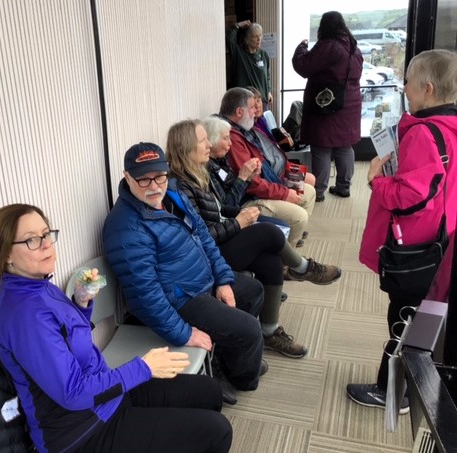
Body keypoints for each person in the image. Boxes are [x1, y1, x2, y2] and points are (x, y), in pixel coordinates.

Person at [0, 203, 233, 453]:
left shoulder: (39, 285)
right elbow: (73, 393)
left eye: (46, 234)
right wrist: (144, 368)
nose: (46, 244)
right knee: (216, 431)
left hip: (104, 396)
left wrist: (81, 303)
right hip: (81, 431)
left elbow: (67, 339)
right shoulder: (25, 316)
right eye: (31, 240)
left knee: (209, 391)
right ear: (6, 255)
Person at [103, 142, 267, 404]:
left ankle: (229, 359)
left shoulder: (173, 194)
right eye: (144, 180)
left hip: (202, 278)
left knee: (253, 291)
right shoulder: (125, 228)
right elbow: (145, 297)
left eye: (159, 176)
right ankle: (241, 379)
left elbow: (203, 237)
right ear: (127, 177)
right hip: (181, 299)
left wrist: (223, 279)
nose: (154, 186)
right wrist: (185, 333)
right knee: (249, 331)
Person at [166, 119, 343, 357]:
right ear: (186, 147)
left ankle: (269, 331)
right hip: (206, 257)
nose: (209, 144)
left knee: (271, 261)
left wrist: (241, 213)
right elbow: (199, 236)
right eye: (203, 141)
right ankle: (303, 268)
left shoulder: (198, 173)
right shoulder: (180, 186)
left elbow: (218, 210)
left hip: (219, 240)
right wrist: (238, 221)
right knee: (268, 232)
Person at [347, 49, 457, 413]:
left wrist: (376, 180)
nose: (404, 88)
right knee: (426, 317)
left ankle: (392, 393)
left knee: (403, 318)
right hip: (443, 241)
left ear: (427, 88)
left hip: (418, 248)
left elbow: (412, 196)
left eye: (407, 82)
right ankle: (416, 384)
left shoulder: (424, 133)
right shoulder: (450, 128)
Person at [220, 87, 316, 248]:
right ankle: (288, 255)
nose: (256, 110)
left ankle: (292, 233)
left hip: (272, 179)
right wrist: (284, 193)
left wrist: (288, 177)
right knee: (299, 216)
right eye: (252, 107)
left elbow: (273, 156)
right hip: (251, 197)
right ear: (239, 112)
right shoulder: (233, 137)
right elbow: (253, 184)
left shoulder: (248, 129)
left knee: (310, 191)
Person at [292, 11, 363, 202]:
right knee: (344, 147)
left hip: (326, 105)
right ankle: (343, 187)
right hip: (350, 105)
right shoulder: (354, 47)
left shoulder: (329, 45)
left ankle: (318, 191)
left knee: (322, 147)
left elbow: (303, 66)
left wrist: (301, 48)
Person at [245, 86, 316, 188]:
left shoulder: (262, 121)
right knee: (309, 181)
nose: (257, 106)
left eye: (258, 101)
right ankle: (294, 193)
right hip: (274, 173)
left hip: (281, 164)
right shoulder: (250, 129)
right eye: (253, 103)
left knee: (311, 179)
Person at [226, 20, 273, 110]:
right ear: (247, 39)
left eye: (260, 35)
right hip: (245, 103)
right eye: (255, 36)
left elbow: (267, 77)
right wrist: (237, 25)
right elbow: (229, 39)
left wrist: (268, 91)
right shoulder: (239, 53)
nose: (259, 39)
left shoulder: (264, 55)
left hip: (262, 102)